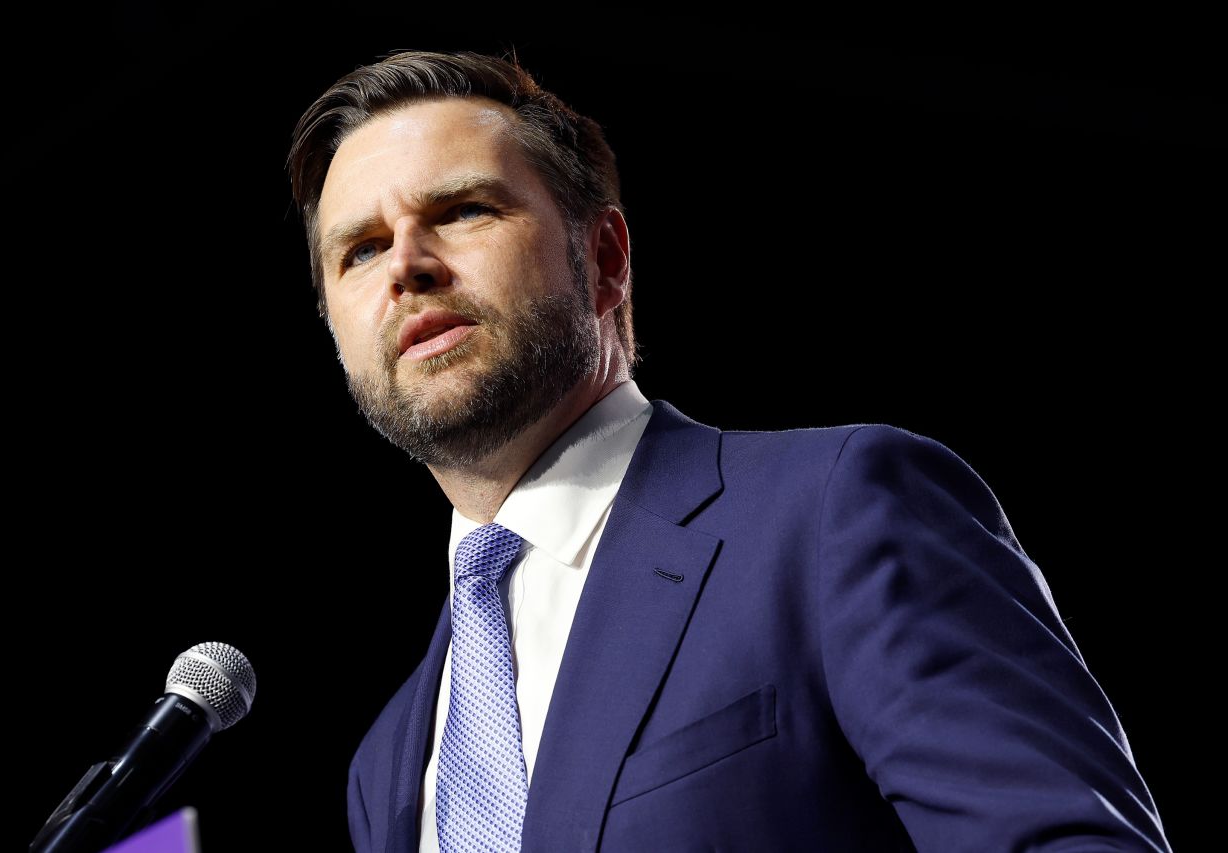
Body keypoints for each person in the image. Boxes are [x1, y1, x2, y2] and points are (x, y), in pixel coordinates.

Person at [287, 49, 1170, 853]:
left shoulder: (832, 513)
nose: (406, 264)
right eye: (360, 250)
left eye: (464, 209)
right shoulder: (386, 762)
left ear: (604, 258)